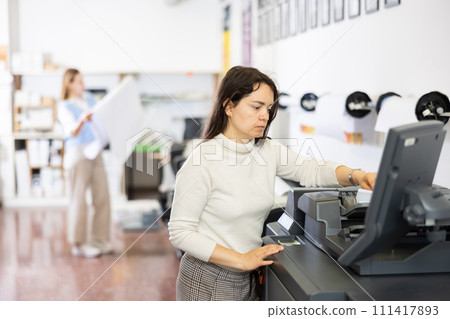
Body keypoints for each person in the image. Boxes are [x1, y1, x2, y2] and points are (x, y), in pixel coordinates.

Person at [168, 66, 377, 301]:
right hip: (208, 278)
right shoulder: (202, 160)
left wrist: (358, 176)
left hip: (246, 275)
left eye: (268, 109)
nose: (265, 116)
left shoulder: (266, 149)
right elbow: (180, 232)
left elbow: (312, 169)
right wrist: (241, 259)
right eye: (256, 107)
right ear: (229, 106)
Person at [58, 68, 113, 258]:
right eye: (78, 82)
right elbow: (71, 131)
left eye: (83, 81)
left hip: (95, 151)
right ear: (69, 84)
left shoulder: (90, 99)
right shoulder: (64, 106)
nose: (83, 85)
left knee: (102, 196)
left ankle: (99, 239)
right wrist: (81, 120)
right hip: (78, 154)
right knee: (79, 199)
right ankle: (79, 244)